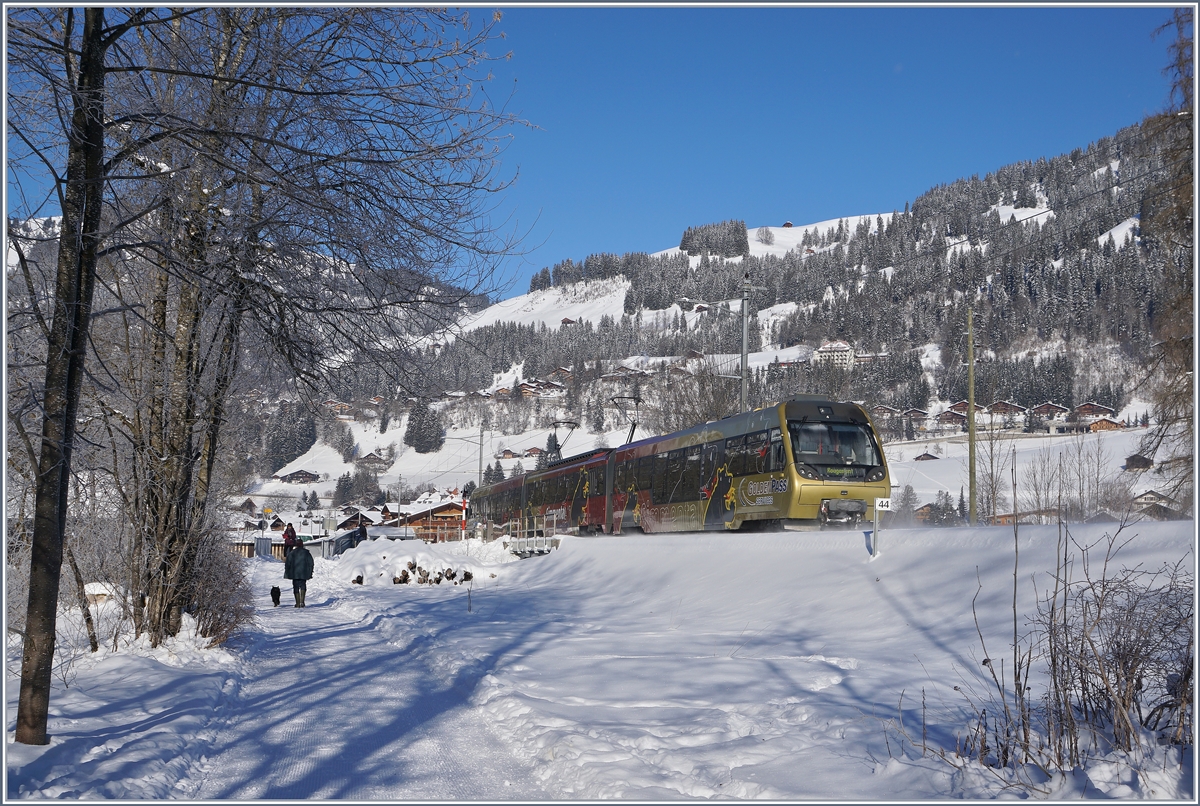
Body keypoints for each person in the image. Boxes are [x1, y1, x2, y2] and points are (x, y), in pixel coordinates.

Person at [284, 539, 314, 608]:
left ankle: (297, 603)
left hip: (295, 573)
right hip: (304, 573)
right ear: (302, 544)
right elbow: (311, 563)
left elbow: (288, 563)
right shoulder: (306, 553)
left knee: (296, 587)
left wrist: (287, 572)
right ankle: (302, 602)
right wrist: (310, 572)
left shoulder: (292, 553)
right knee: (303, 586)